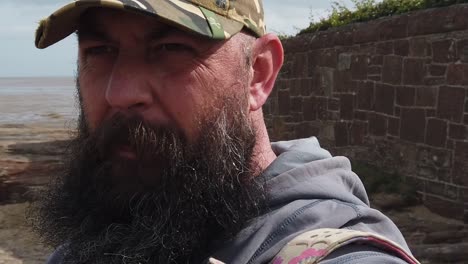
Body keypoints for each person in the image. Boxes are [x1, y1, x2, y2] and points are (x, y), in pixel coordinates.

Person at [33, 0, 419, 263]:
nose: (119, 94)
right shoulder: (107, 229)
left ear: (259, 73)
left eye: (171, 47)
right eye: (100, 51)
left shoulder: (337, 251)